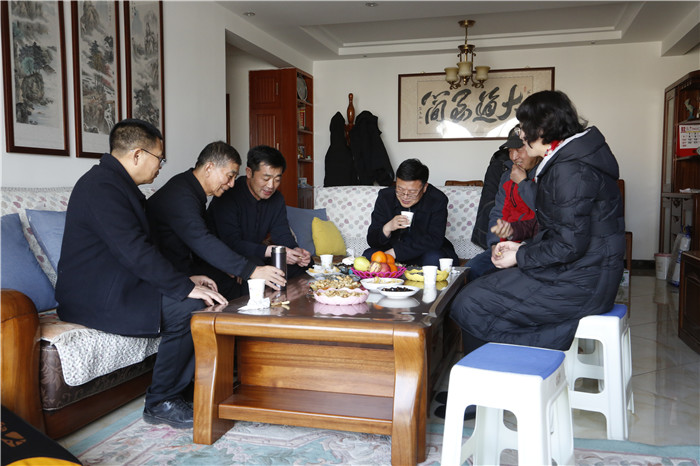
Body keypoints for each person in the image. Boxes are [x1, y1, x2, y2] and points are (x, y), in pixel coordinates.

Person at [55, 119, 228, 430]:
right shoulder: (100, 188)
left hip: (120, 284)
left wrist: (186, 280)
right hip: (95, 296)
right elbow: (134, 251)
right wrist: (183, 289)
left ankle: (185, 388)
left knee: (205, 297)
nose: (160, 165)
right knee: (190, 308)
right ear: (137, 155)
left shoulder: (118, 186)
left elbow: (145, 250)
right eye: (159, 158)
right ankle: (161, 402)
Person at [450, 90, 625, 354]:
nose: (521, 135)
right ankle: (503, 366)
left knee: (471, 303)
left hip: (581, 283)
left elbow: (568, 245)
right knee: (478, 290)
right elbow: (558, 226)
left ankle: (501, 374)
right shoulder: (571, 160)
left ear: (542, 129)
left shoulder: (571, 170)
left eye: (524, 127)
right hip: (582, 272)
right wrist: (518, 246)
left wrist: (520, 255)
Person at [148, 142, 286, 300]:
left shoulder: (191, 189)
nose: (232, 184)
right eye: (229, 176)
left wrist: (231, 266)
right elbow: (203, 241)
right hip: (165, 273)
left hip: (185, 265)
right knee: (243, 281)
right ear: (209, 168)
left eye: (234, 178)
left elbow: (206, 238)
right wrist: (251, 270)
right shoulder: (181, 196)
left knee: (240, 280)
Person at [207, 145, 312, 282]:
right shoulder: (228, 194)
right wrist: (271, 251)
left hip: (256, 252)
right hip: (224, 257)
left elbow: (282, 233)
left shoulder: (277, 199)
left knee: (305, 266)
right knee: (258, 269)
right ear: (249, 172)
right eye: (266, 178)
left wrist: (295, 251)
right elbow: (232, 243)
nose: (271, 186)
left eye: (277, 179)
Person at [466, 125, 540, 281]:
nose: (514, 157)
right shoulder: (507, 175)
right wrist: (494, 244)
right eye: (510, 151)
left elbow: (543, 209)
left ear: (533, 148)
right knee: (471, 270)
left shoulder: (546, 174)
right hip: (505, 244)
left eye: (519, 149)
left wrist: (523, 183)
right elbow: (498, 212)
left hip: (533, 247)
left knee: (510, 280)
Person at [363, 158, 459, 266]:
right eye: (400, 190)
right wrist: (388, 227)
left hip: (422, 252)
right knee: (368, 256)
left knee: (434, 259)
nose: (405, 196)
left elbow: (434, 240)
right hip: (391, 249)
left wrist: (396, 252)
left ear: (425, 187)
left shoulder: (437, 199)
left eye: (412, 192)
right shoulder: (385, 197)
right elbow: (372, 240)